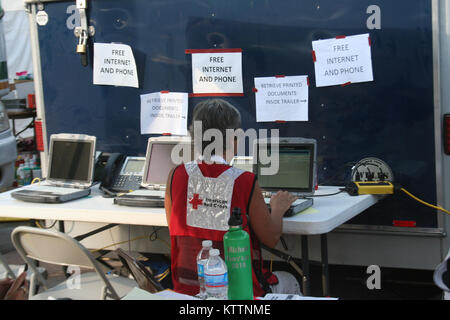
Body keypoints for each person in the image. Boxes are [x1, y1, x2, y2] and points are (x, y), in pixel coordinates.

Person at [165, 98, 298, 297]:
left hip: (187, 289)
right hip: (240, 291)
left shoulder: (175, 175)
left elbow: (174, 224)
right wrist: (278, 209)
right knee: (291, 280)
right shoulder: (244, 181)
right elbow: (270, 238)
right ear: (234, 138)